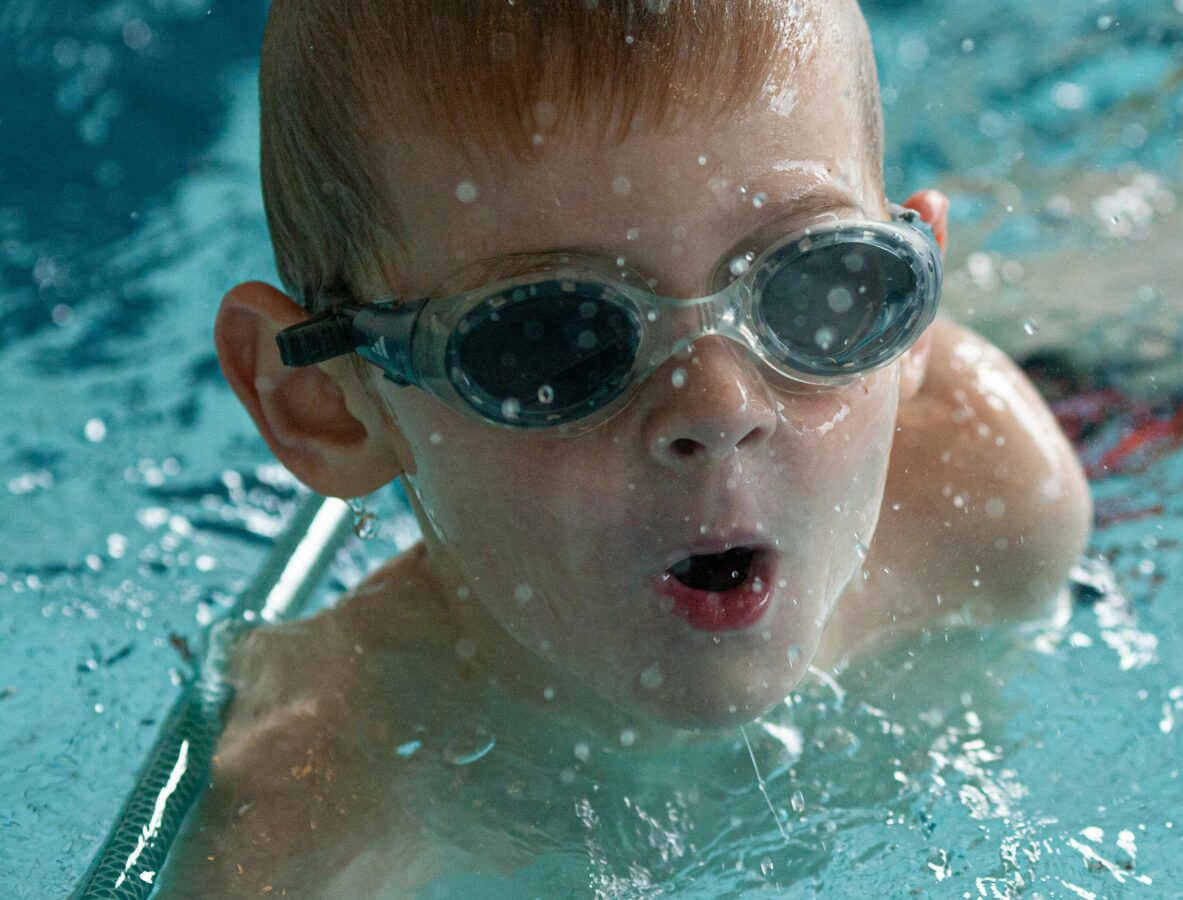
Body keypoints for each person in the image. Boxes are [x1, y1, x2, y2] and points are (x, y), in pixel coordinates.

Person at [159, 0, 1090, 893]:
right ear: (324, 404)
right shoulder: (326, 790)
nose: (719, 408)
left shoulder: (986, 504)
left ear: (912, 318)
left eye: (821, 286)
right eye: (556, 339)